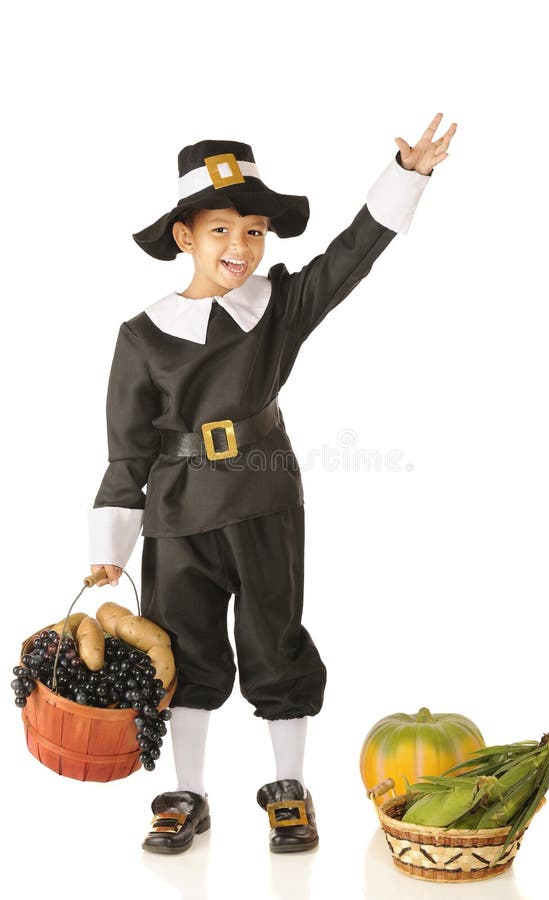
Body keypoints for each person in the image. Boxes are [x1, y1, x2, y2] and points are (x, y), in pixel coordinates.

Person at [88, 115, 457, 855]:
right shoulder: (143, 335)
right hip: (177, 513)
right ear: (184, 237)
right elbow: (128, 451)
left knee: (273, 640)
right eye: (221, 229)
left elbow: (349, 259)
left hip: (263, 501)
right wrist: (111, 550)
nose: (240, 247)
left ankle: (289, 789)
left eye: (254, 231)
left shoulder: (275, 309)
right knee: (181, 649)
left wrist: (407, 175)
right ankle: (187, 794)